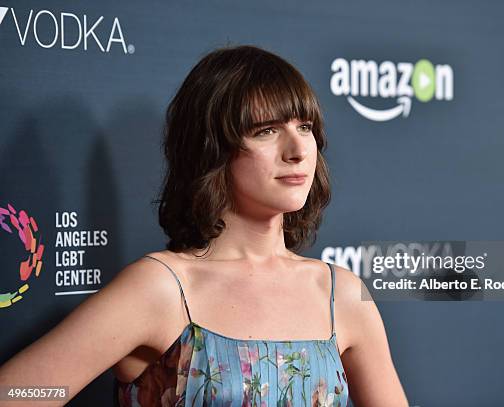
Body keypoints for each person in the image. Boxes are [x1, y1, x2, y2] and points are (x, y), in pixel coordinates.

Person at [0, 44, 409, 406]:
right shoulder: (160, 288)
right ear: (212, 149)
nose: (299, 149)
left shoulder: (342, 294)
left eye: (305, 127)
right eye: (266, 131)